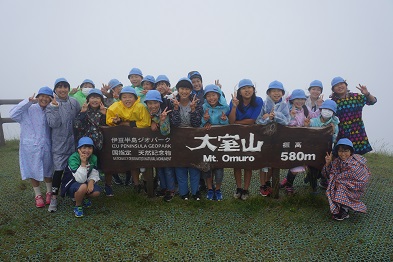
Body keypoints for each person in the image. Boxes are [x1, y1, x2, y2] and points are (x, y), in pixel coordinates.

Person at [9, 87, 54, 208]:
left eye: (47, 97)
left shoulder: (50, 110)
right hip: (30, 146)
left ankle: (49, 192)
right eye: (42, 96)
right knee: (33, 170)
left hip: (46, 145)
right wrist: (27, 102)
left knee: (48, 170)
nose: (44, 99)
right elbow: (13, 114)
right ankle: (38, 195)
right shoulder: (29, 108)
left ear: (51, 98)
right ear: (38, 97)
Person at [106, 86, 151, 194]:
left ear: (135, 98)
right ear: (120, 98)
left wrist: (127, 123)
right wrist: (116, 121)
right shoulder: (115, 106)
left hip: (140, 139)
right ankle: (136, 184)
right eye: (124, 97)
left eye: (130, 97)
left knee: (144, 162)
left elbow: (146, 122)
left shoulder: (140, 107)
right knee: (132, 163)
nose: (127, 99)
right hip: (126, 140)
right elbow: (109, 120)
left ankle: (146, 183)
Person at [46, 77, 81, 212]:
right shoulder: (51, 105)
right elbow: (53, 124)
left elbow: (78, 119)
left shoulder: (74, 102)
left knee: (73, 170)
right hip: (59, 144)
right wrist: (54, 108)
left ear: (68, 88)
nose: (62, 89)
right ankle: (54, 198)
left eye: (65, 86)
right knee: (58, 171)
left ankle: (73, 194)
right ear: (55, 89)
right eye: (59, 87)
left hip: (73, 144)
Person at [227, 79, 263, 200]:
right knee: (236, 162)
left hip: (251, 136)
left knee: (248, 162)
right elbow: (230, 121)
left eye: (249, 87)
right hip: (236, 136)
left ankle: (246, 190)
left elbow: (252, 120)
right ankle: (239, 188)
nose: (247, 90)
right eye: (243, 88)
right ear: (239, 92)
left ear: (253, 89)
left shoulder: (258, 101)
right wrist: (234, 107)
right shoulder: (234, 101)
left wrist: (236, 123)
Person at [170, 77, 203, 200]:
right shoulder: (173, 102)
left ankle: (195, 192)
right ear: (178, 90)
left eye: (187, 89)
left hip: (193, 138)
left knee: (194, 166)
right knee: (180, 166)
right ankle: (184, 193)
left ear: (191, 90)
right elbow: (174, 123)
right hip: (178, 139)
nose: (184, 91)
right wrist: (176, 108)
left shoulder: (197, 102)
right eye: (182, 88)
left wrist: (193, 109)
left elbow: (196, 123)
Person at [279, 89, 318, 194]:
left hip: (303, 141)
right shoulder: (287, 109)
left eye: (302, 99)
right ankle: (289, 185)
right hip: (292, 141)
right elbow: (286, 124)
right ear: (292, 100)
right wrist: (292, 117)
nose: (300, 101)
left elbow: (314, 116)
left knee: (300, 162)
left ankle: (287, 182)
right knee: (295, 162)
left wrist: (320, 107)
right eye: (297, 99)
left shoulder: (306, 109)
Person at [322, 138, 371, 221]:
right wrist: (328, 163)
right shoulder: (337, 161)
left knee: (339, 186)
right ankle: (340, 206)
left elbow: (358, 178)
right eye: (340, 151)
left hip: (354, 188)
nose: (343, 154)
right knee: (335, 185)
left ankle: (344, 209)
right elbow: (328, 174)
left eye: (346, 151)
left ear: (351, 152)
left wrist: (337, 182)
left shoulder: (355, 163)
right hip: (342, 185)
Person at [256, 80, 290, 197]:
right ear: (269, 93)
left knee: (274, 161)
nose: (276, 93)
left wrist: (276, 115)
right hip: (265, 138)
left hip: (278, 139)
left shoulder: (285, 105)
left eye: (279, 91)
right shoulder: (264, 104)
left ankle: (268, 182)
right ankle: (263, 185)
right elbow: (258, 120)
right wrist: (268, 119)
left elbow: (287, 120)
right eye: (273, 91)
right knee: (263, 163)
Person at [330, 76, 377, 155]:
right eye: (336, 85)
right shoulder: (333, 102)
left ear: (346, 85)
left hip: (357, 131)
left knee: (357, 156)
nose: (339, 86)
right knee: (342, 155)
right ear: (333, 89)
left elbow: (373, 101)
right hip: (341, 133)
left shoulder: (356, 97)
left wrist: (367, 94)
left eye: (341, 84)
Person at [144, 90, 175, 201]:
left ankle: (170, 190)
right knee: (159, 167)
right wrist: (153, 121)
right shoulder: (146, 111)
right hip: (154, 145)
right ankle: (163, 188)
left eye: (155, 103)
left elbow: (165, 132)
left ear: (160, 102)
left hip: (166, 144)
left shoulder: (164, 112)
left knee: (167, 167)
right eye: (150, 103)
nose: (153, 106)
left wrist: (161, 121)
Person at [61, 137, 101, 218]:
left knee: (96, 192)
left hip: (85, 181)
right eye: (84, 147)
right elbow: (80, 179)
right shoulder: (73, 158)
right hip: (72, 183)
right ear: (79, 149)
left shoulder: (93, 157)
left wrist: (91, 182)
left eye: (90, 147)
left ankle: (83, 197)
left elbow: (94, 172)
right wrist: (83, 163)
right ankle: (78, 205)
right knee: (83, 186)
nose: (87, 150)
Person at [201, 84, 229, 201]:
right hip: (207, 141)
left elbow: (226, 125)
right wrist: (205, 120)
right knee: (207, 166)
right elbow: (200, 124)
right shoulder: (203, 107)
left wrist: (224, 120)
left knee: (219, 167)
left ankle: (217, 189)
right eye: (208, 95)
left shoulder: (225, 107)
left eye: (214, 95)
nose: (211, 98)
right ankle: (209, 189)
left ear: (218, 95)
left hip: (219, 142)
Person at [304, 99, 340, 190]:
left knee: (322, 168)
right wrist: (307, 126)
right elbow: (306, 134)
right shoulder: (313, 121)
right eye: (325, 109)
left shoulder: (334, 124)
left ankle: (322, 180)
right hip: (313, 151)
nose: (327, 112)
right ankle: (313, 186)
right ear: (321, 109)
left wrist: (333, 131)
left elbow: (335, 139)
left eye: (330, 110)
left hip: (325, 152)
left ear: (333, 113)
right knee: (312, 168)